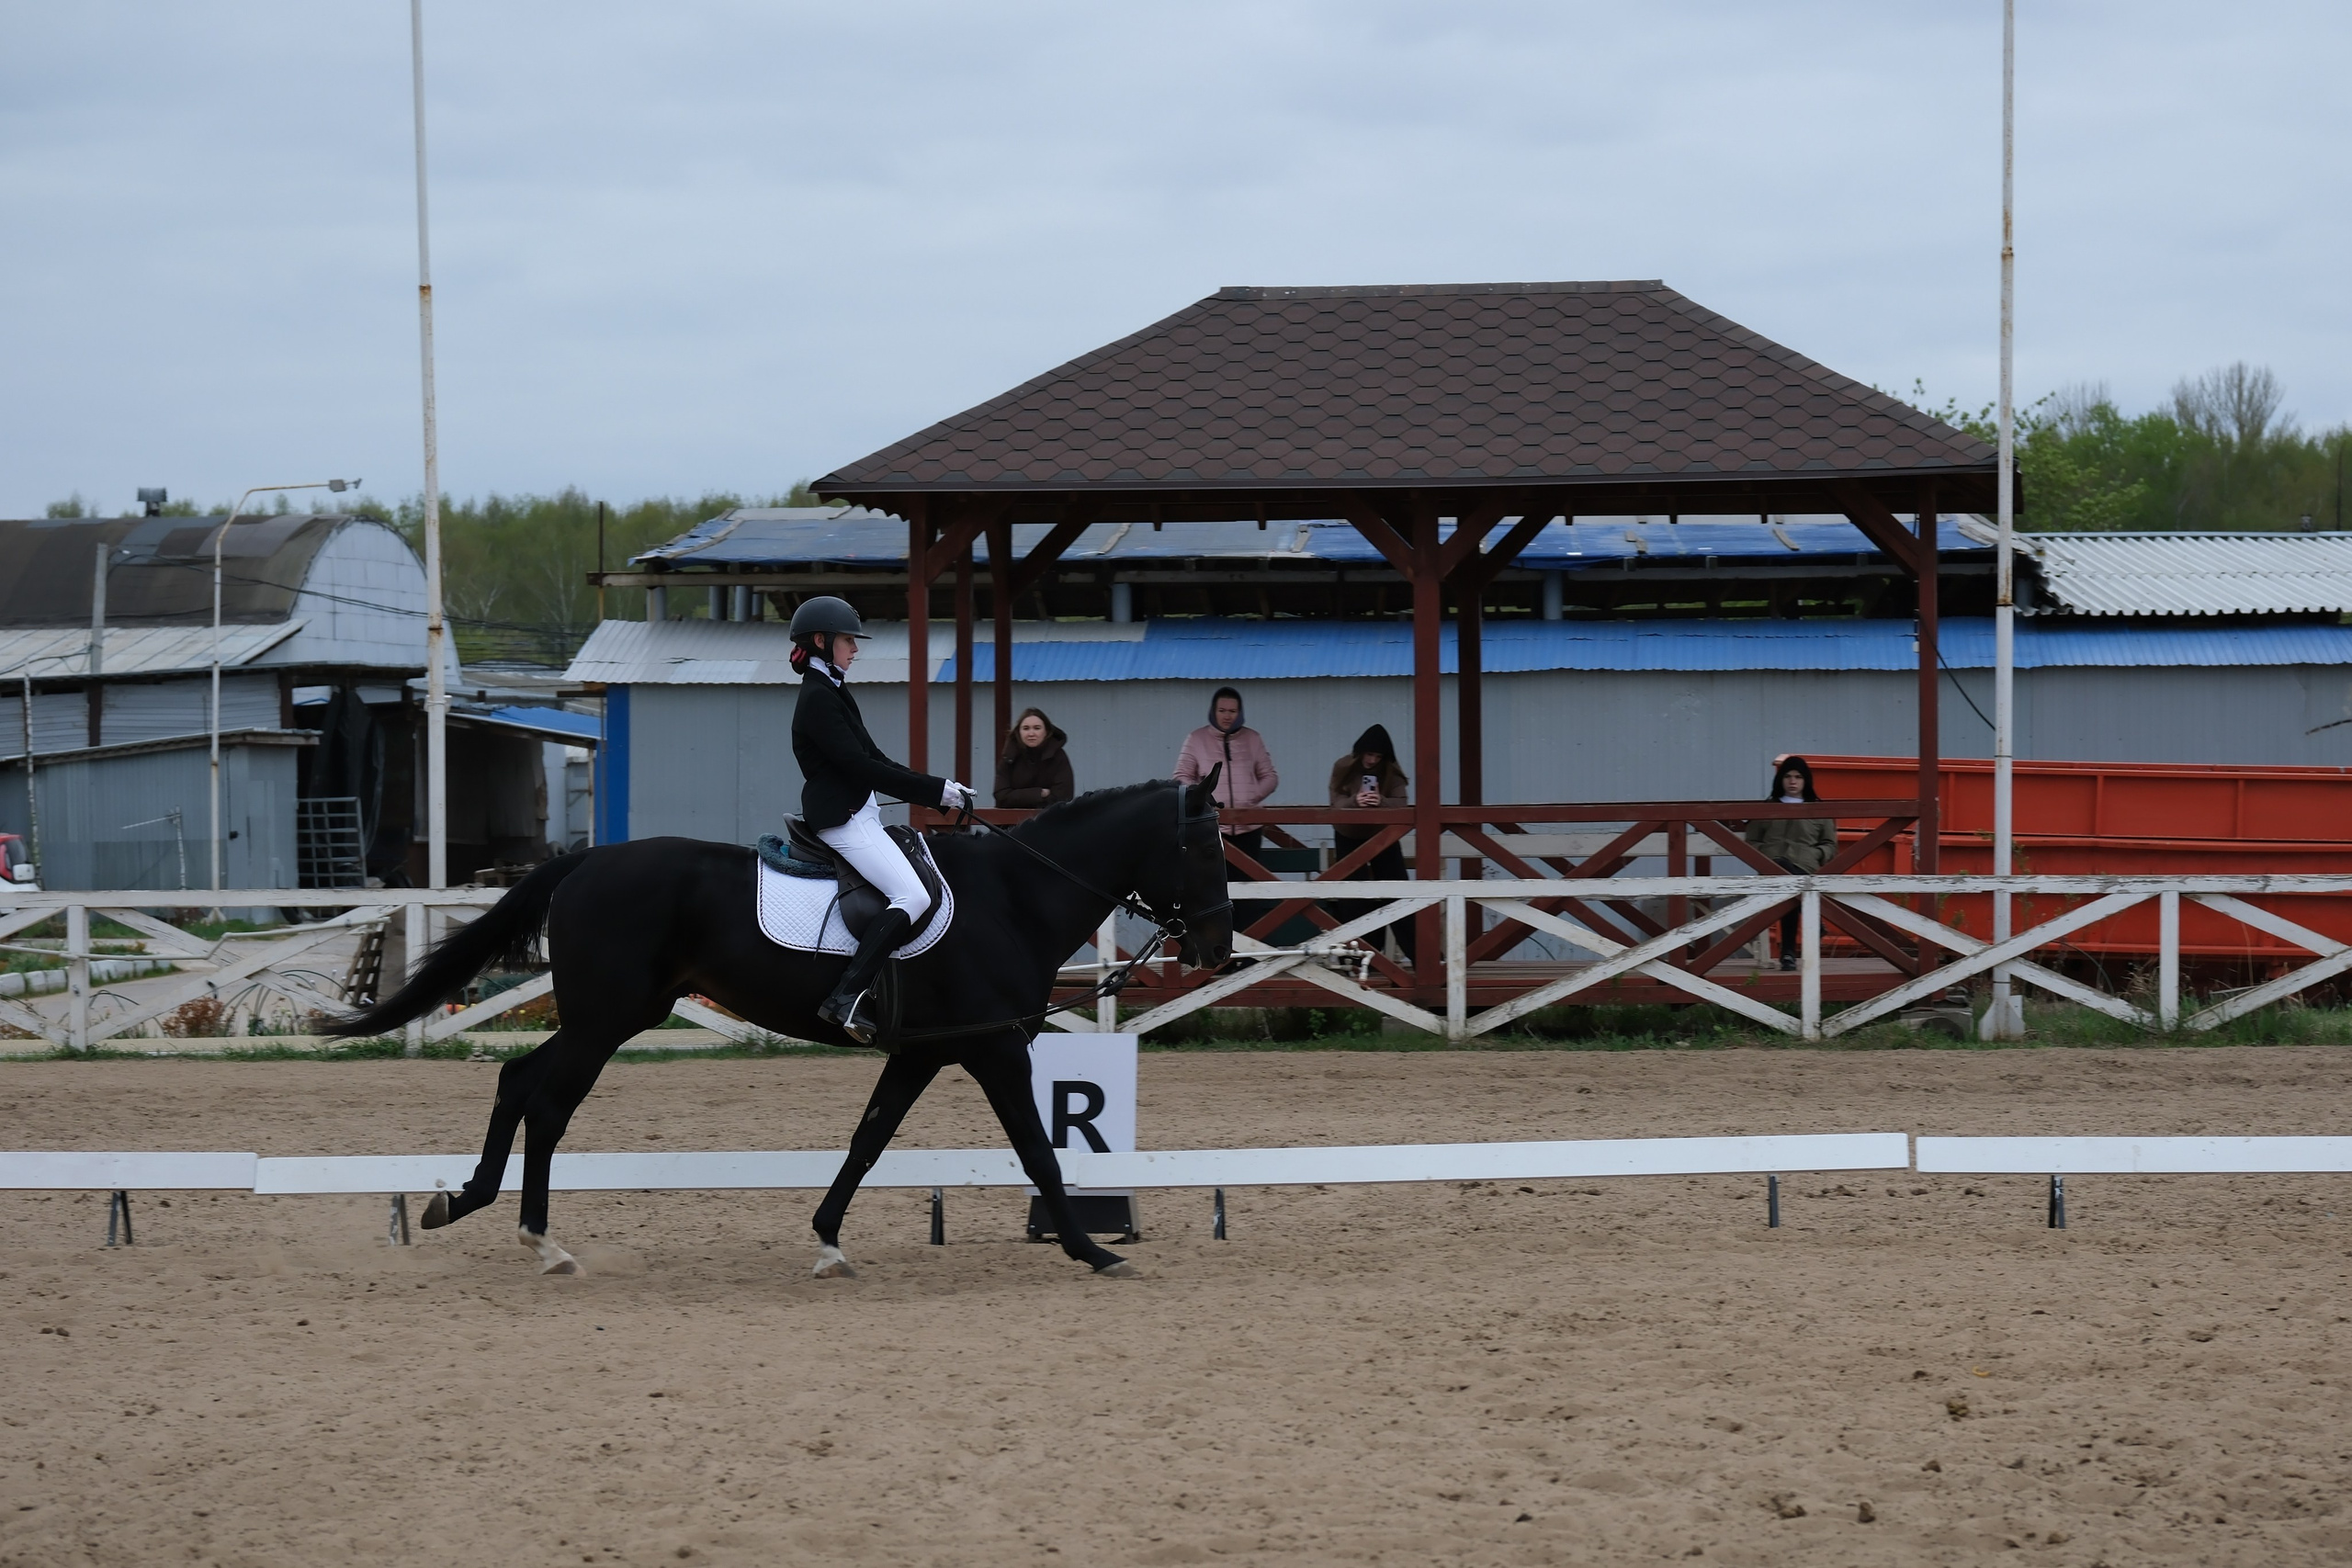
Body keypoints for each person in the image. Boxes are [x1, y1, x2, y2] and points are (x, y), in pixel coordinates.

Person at [788, 596, 977, 1043]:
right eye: (849, 640)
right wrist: (934, 792)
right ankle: (846, 996)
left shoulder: (833, 689)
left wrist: (939, 788)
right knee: (912, 895)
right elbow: (861, 767)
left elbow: (875, 758)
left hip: (860, 812)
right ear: (821, 641)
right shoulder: (817, 698)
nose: (855, 649)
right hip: (841, 819)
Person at [1326, 722, 1415, 960]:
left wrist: (1381, 802)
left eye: (1377, 756)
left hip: (1382, 838)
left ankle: (1420, 957)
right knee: (1352, 898)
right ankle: (1356, 957)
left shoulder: (1392, 771)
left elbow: (1402, 804)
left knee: (1398, 895)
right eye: (1369, 754)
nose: (1372, 760)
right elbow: (1336, 803)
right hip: (1348, 835)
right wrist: (1357, 800)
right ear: (1360, 752)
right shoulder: (1343, 766)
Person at [1742, 753, 1838, 971]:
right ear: (1780, 780)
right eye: (1788, 776)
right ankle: (1790, 950)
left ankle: (1788, 954)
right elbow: (1752, 840)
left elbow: (1830, 844)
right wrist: (1763, 856)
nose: (1793, 781)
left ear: (1806, 780)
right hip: (1772, 868)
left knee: (1791, 886)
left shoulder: (1818, 809)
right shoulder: (1767, 808)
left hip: (1804, 869)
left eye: (1798, 777)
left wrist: (1816, 856)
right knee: (1791, 883)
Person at [1174, 686, 1279, 857]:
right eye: (1222, 710)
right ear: (1213, 711)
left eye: (1232, 711)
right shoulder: (1196, 739)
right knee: (1212, 881)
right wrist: (1202, 797)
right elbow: (1181, 776)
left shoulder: (1253, 739)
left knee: (1247, 882)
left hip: (1249, 827)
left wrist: (1250, 797)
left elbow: (1270, 777)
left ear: (1240, 713)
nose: (1227, 716)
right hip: (1209, 825)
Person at [993, 707, 1075, 809]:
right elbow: (1001, 795)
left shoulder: (1058, 756)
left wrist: (1017, 797)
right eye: (1026, 728)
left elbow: (1063, 798)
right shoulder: (1010, 756)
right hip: (1010, 823)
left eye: (1037, 728)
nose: (1031, 734)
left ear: (1046, 731)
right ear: (1019, 732)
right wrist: (1040, 793)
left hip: (1050, 822)